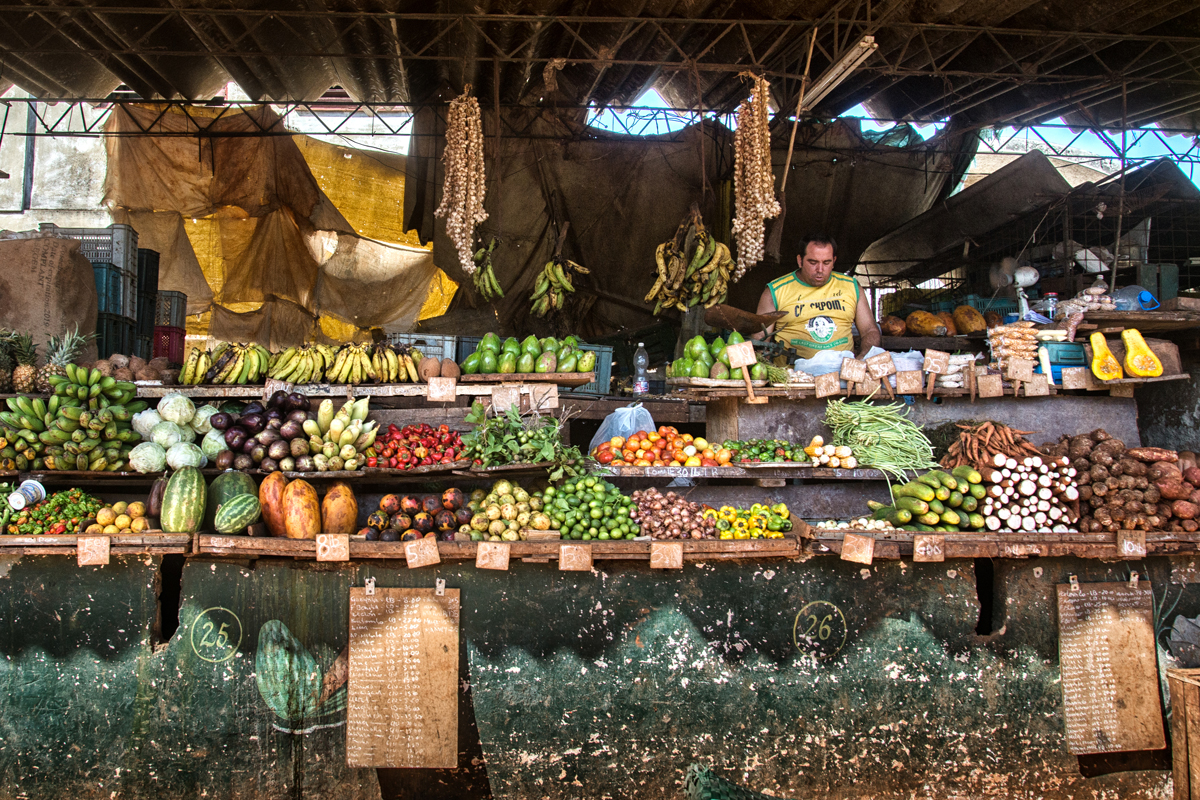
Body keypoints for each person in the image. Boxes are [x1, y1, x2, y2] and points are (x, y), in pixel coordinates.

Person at [753, 234, 881, 359]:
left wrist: (864, 357)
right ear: (800, 261)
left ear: (834, 261)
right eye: (813, 262)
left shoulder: (851, 287)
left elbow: (869, 330)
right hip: (793, 376)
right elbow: (760, 338)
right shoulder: (776, 291)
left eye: (826, 262)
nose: (820, 269)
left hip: (842, 375)